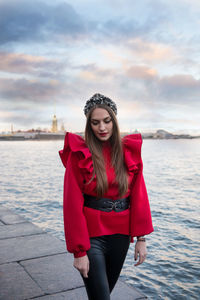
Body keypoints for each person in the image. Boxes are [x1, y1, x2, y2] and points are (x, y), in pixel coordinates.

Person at [59, 93, 153, 300]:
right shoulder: (79, 154)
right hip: (91, 237)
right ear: (89, 125)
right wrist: (79, 252)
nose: (102, 127)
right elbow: (71, 204)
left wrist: (141, 238)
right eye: (95, 122)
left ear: (114, 121)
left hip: (120, 235)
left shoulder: (128, 151)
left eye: (107, 121)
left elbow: (139, 195)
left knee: (102, 295)